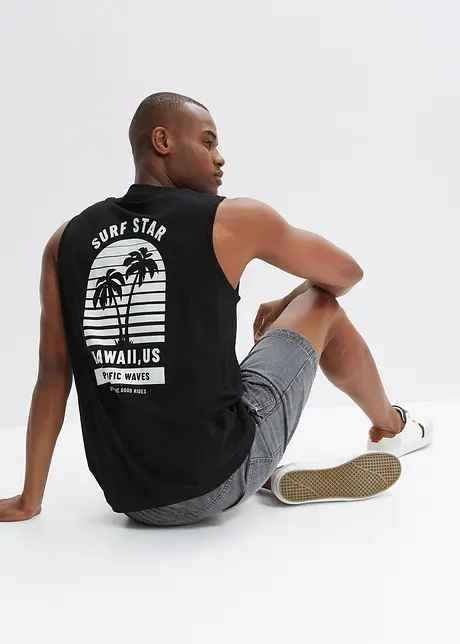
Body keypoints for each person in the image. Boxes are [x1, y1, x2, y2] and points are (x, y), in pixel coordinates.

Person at [0, 92, 433, 525]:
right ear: (162, 141)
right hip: (214, 484)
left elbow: (53, 375)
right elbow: (347, 274)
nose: (220, 158)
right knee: (321, 303)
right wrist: (293, 298)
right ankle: (391, 429)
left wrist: (29, 499)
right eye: (208, 142)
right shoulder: (233, 219)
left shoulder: (65, 240)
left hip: (131, 497)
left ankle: (264, 473)